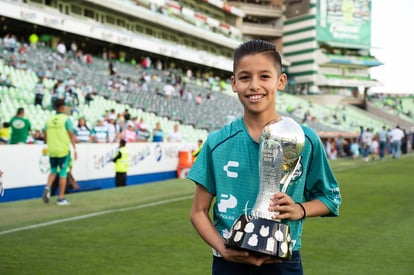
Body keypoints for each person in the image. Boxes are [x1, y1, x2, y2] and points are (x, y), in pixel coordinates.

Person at [187, 40, 341, 274]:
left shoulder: (304, 139)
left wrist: (299, 209)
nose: (254, 85)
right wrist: (223, 248)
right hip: (228, 261)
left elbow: (330, 199)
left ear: (281, 81)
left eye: (264, 76)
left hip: (282, 262)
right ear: (234, 83)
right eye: (245, 77)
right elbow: (198, 212)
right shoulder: (217, 142)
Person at [42, 99, 77, 206]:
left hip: (52, 149)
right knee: (63, 173)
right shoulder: (66, 119)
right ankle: (61, 198)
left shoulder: (49, 120)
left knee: (53, 171)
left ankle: (48, 186)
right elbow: (71, 134)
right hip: (62, 149)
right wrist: (75, 149)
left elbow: (45, 134)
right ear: (63, 107)